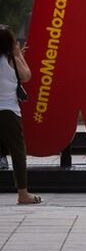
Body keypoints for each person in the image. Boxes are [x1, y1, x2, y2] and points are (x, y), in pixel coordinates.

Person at [0, 25, 41, 205]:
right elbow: (26, 76)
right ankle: (23, 194)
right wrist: (19, 55)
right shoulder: (12, 59)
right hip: (9, 111)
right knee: (18, 151)